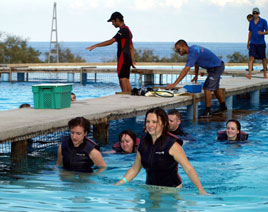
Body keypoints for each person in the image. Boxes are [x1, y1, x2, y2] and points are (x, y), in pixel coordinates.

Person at [115, 107, 207, 195]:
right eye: (148, 121)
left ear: (163, 123)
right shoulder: (143, 141)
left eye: (154, 122)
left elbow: (188, 169)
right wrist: (120, 183)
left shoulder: (172, 144)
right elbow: (135, 169)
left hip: (171, 190)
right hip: (150, 189)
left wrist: (201, 190)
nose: (150, 125)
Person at [167, 39, 227, 118]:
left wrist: (174, 84)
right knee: (215, 87)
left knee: (207, 88)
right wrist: (196, 75)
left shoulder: (192, 53)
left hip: (216, 67)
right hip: (216, 66)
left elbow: (185, 70)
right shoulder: (193, 49)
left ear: (184, 46)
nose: (178, 52)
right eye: (177, 51)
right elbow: (196, 62)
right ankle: (223, 107)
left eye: (179, 50)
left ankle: (208, 111)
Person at [86, 11, 135, 92]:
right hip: (127, 58)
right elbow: (131, 47)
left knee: (122, 79)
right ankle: (132, 98)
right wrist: (132, 60)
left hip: (123, 58)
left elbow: (111, 41)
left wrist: (95, 45)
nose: (112, 24)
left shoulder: (122, 31)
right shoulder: (128, 30)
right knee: (126, 79)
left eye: (112, 21)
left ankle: (126, 99)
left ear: (117, 20)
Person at [246, 7, 268, 80]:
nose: (255, 14)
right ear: (253, 14)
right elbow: (250, 32)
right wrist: (248, 42)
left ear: (259, 13)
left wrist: (263, 33)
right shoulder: (251, 22)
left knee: (263, 58)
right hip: (253, 43)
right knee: (251, 57)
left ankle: (265, 74)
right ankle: (249, 74)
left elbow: (267, 31)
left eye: (257, 13)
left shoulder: (263, 21)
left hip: (261, 43)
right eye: (254, 13)